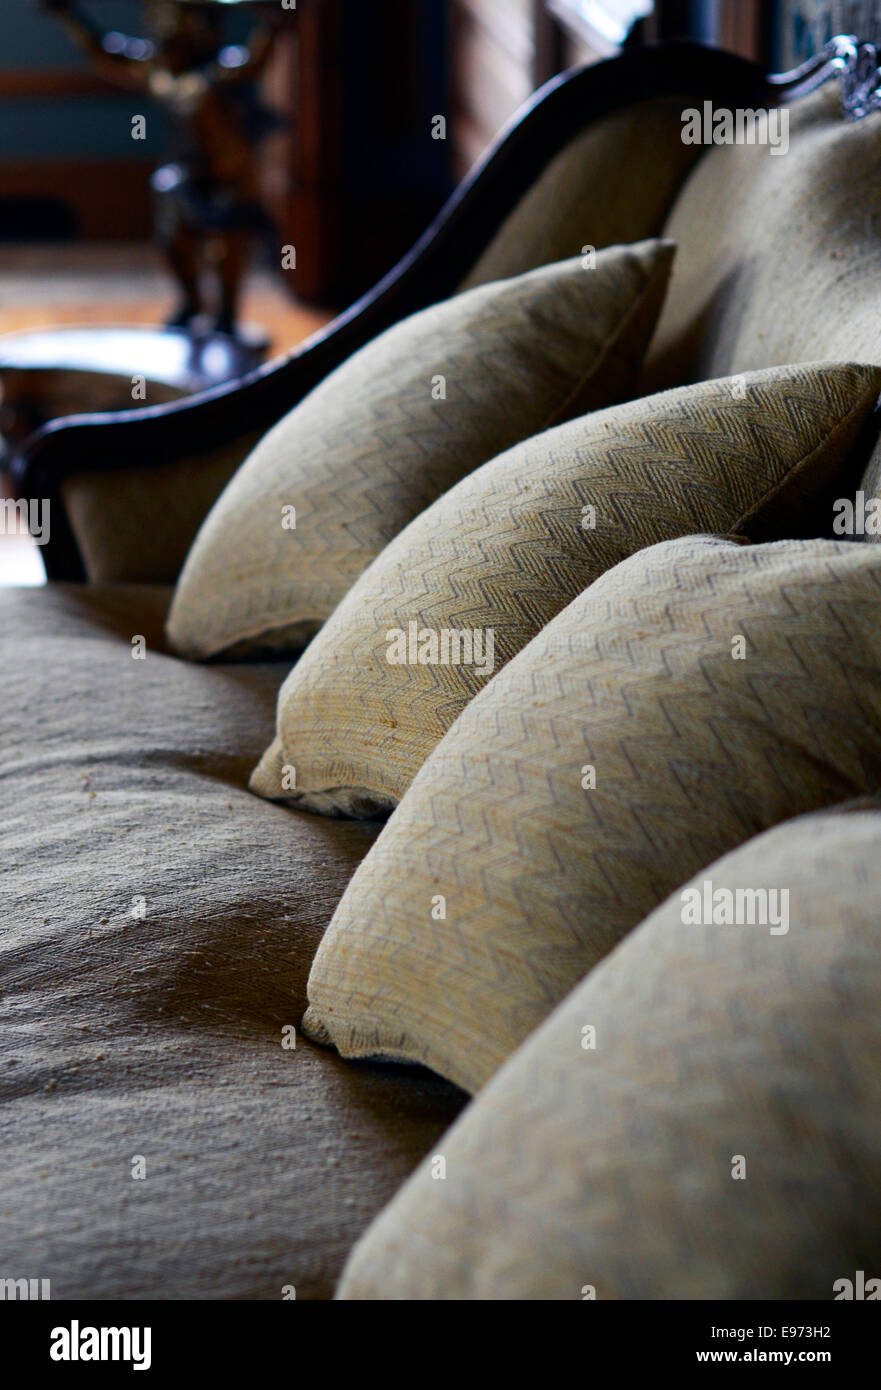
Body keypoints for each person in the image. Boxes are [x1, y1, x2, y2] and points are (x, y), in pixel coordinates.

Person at [43, 0, 283, 336]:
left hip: (226, 177)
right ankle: (191, 304)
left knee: (226, 248)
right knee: (174, 240)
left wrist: (273, 22)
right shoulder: (159, 67)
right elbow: (104, 51)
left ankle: (226, 315)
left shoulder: (219, 69)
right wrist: (68, 15)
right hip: (183, 174)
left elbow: (255, 60)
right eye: (164, 17)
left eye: (181, 18)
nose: (169, 25)